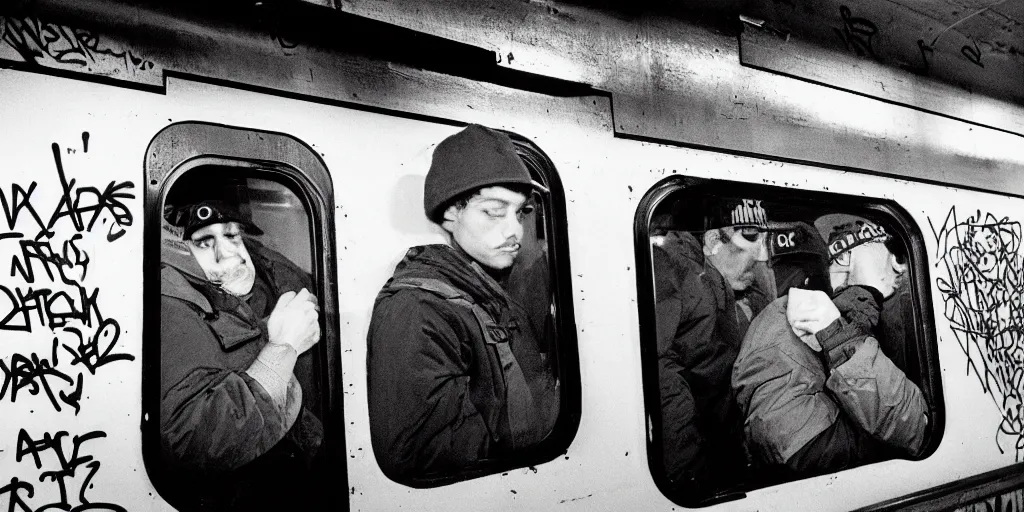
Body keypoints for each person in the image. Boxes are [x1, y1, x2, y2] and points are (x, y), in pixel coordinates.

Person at [367, 124, 559, 484]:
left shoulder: (490, 295)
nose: (515, 230)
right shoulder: (419, 311)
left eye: (520, 213)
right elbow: (427, 452)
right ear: (451, 215)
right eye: (493, 212)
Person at [159, 198, 325, 510]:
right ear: (176, 248)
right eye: (204, 241)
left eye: (232, 235)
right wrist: (281, 348)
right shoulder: (171, 310)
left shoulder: (279, 280)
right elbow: (193, 440)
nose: (228, 253)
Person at [732, 217, 929, 476]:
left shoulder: (768, 318)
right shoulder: (838, 313)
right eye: (890, 251)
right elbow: (916, 429)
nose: (899, 265)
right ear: (845, 257)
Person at [651, 197, 775, 501]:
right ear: (711, 241)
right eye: (750, 237)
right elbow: (663, 383)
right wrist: (695, 479)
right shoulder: (685, 280)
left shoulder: (720, 286)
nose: (762, 255)